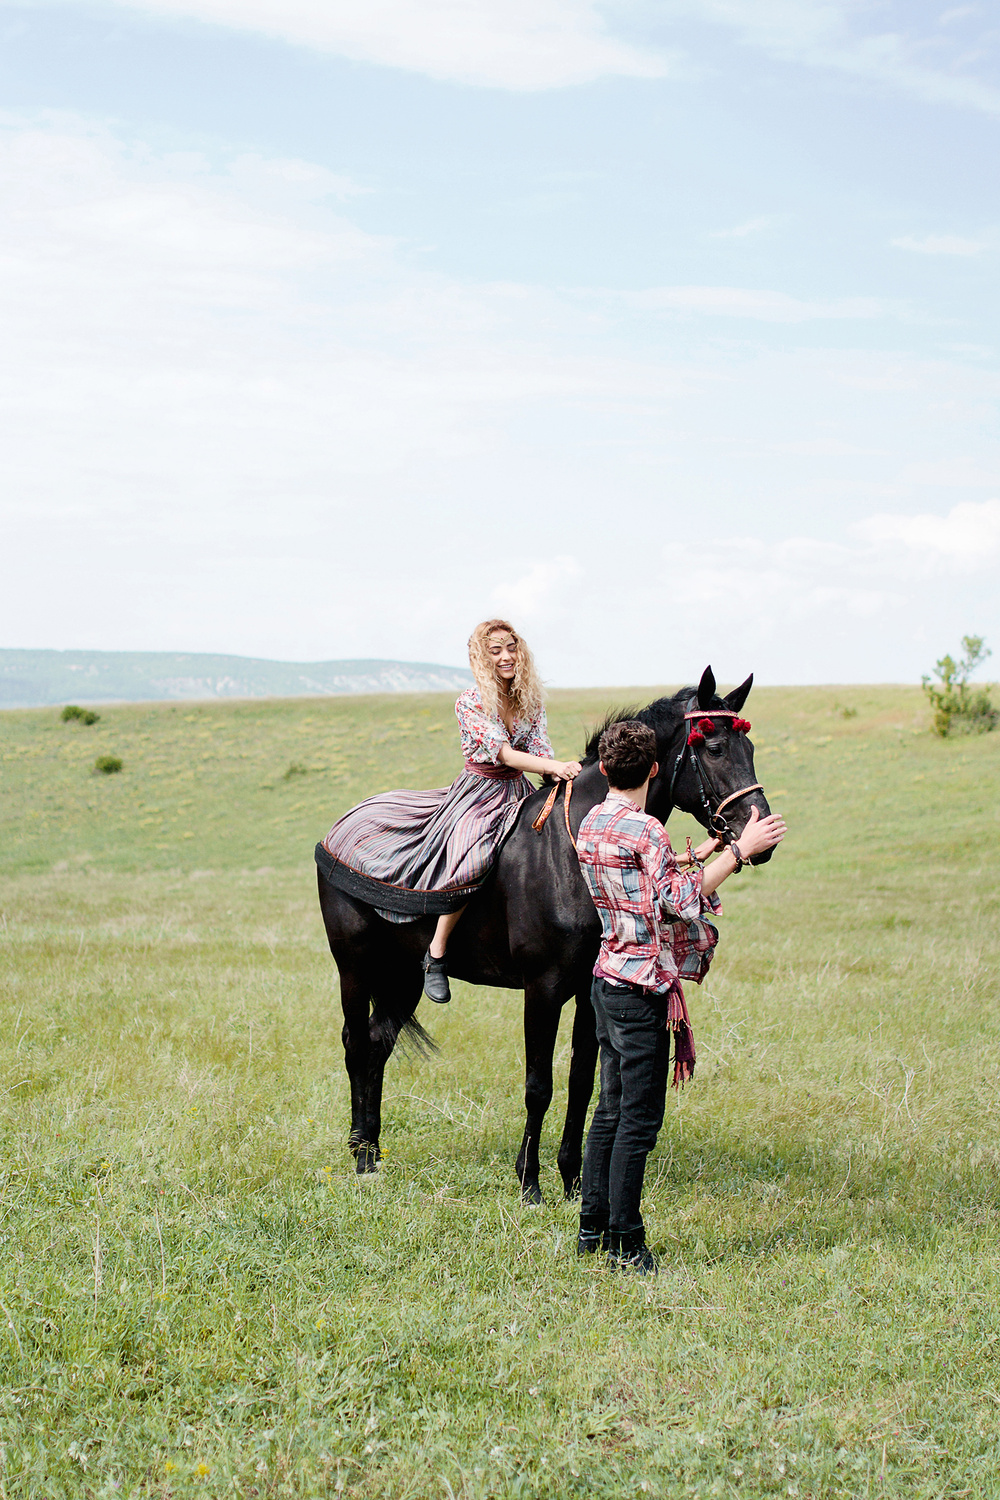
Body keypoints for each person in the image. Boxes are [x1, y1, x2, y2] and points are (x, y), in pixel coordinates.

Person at [575, 719, 786, 1275]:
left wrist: (700, 854)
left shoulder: (592, 821)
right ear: (653, 769)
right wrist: (738, 852)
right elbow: (674, 901)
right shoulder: (648, 831)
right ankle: (626, 1242)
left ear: (604, 766)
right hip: (642, 989)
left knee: (609, 1111)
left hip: (605, 979)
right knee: (639, 1122)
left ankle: (591, 1229)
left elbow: (641, 880)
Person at [319, 620, 581, 1003]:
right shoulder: (470, 701)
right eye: (496, 650)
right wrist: (553, 767)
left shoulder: (531, 702)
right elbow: (503, 753)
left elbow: (538, 749)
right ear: (482, 657)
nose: (506, 656)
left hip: (519, 791)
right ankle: (436, 953)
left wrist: (558, 774)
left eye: (511, 647)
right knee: (473, 856)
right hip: (480, 792)